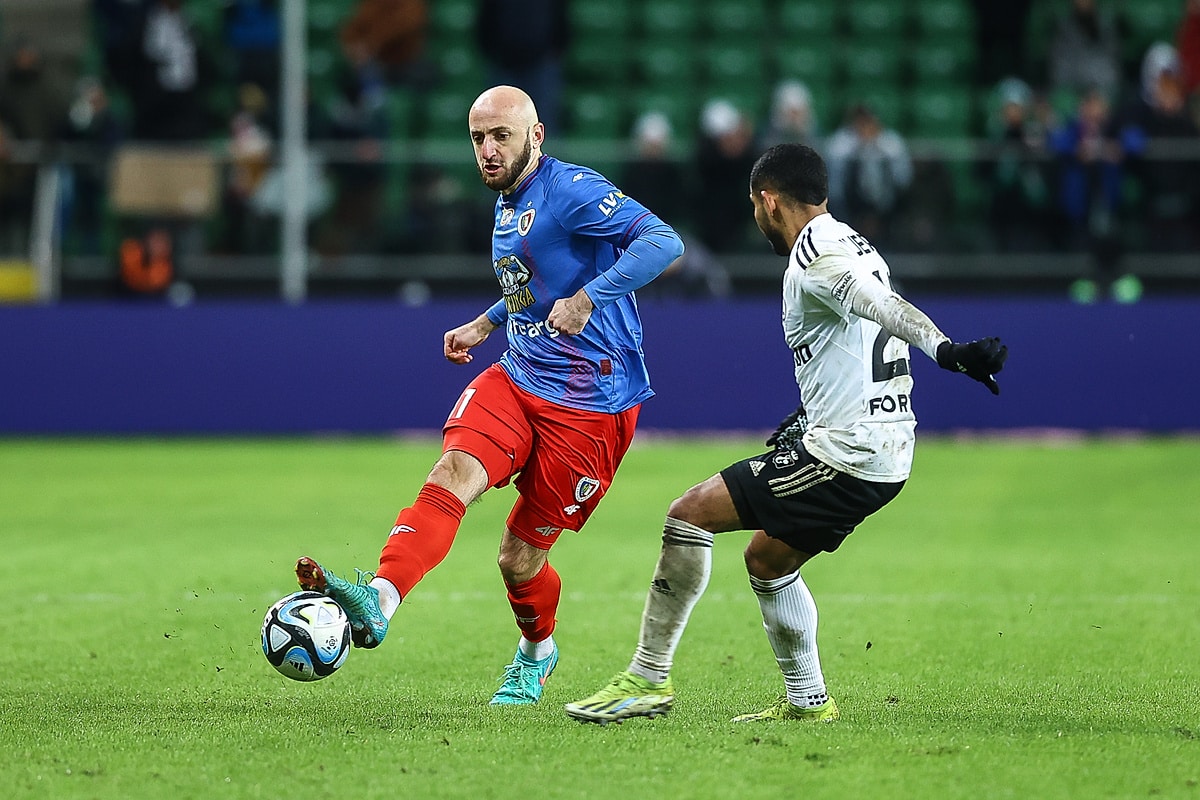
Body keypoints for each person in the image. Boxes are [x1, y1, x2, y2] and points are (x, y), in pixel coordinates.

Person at [564, 143, 1007, 725]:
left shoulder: (815, 252)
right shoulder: (853, 241)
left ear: (769, 201)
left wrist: (945, 350)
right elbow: (857, 336)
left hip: (848, 453)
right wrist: (808, 414)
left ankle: (646, 680)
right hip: (882, 448)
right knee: (768, 559)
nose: (756, 217)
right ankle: (808, 702)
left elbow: (881, 306)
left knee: (688, 515)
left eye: (755, 205)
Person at [294, 85, 684, 705]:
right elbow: (535, 284)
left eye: (501, 136)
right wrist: (486, 322)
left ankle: (537, 652)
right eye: (478, 138)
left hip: (592, 403)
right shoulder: (508, 202)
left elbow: (664, 242)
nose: (488, 150)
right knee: (452, 472)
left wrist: (589, 298)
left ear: (536, 135)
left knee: (517, 559)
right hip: (519, 375)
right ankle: (380, 599)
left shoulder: (572, 189)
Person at [824, 103, 913, 251]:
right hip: (851, 208)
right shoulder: (842, 143)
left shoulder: (890, 143)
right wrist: (859, 148)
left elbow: (903, 179)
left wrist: (878, 148)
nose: (865, 128)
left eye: (868, 123)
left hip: (885, 207)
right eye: (861, 123)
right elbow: (835, 186)